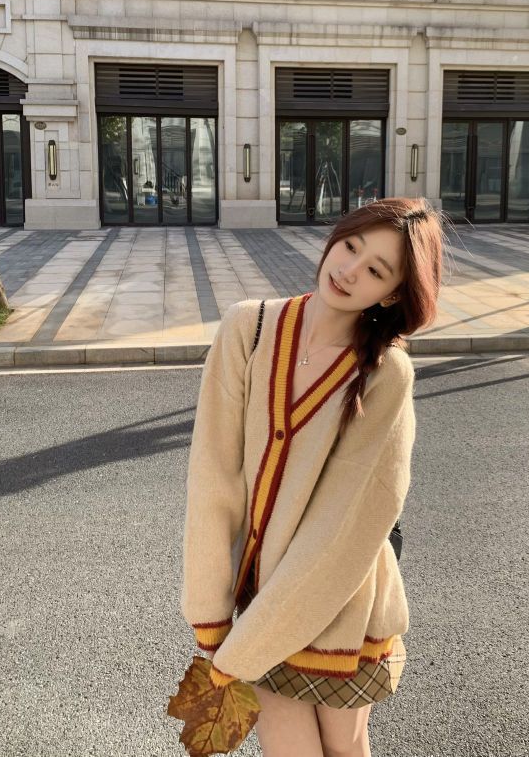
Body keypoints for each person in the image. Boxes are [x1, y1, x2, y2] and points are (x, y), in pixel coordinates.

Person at [181, 197, 445, 757]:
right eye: (350, 246)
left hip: (339, 599)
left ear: (392, 294)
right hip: (263, 598)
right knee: (290, 746)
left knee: (343, 744)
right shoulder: (249, 328)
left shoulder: (385, 372)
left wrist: (247, 643)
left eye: (376, 270)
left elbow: (347, 522)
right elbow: (213, 477)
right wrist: (210, 611)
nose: (349, 270)